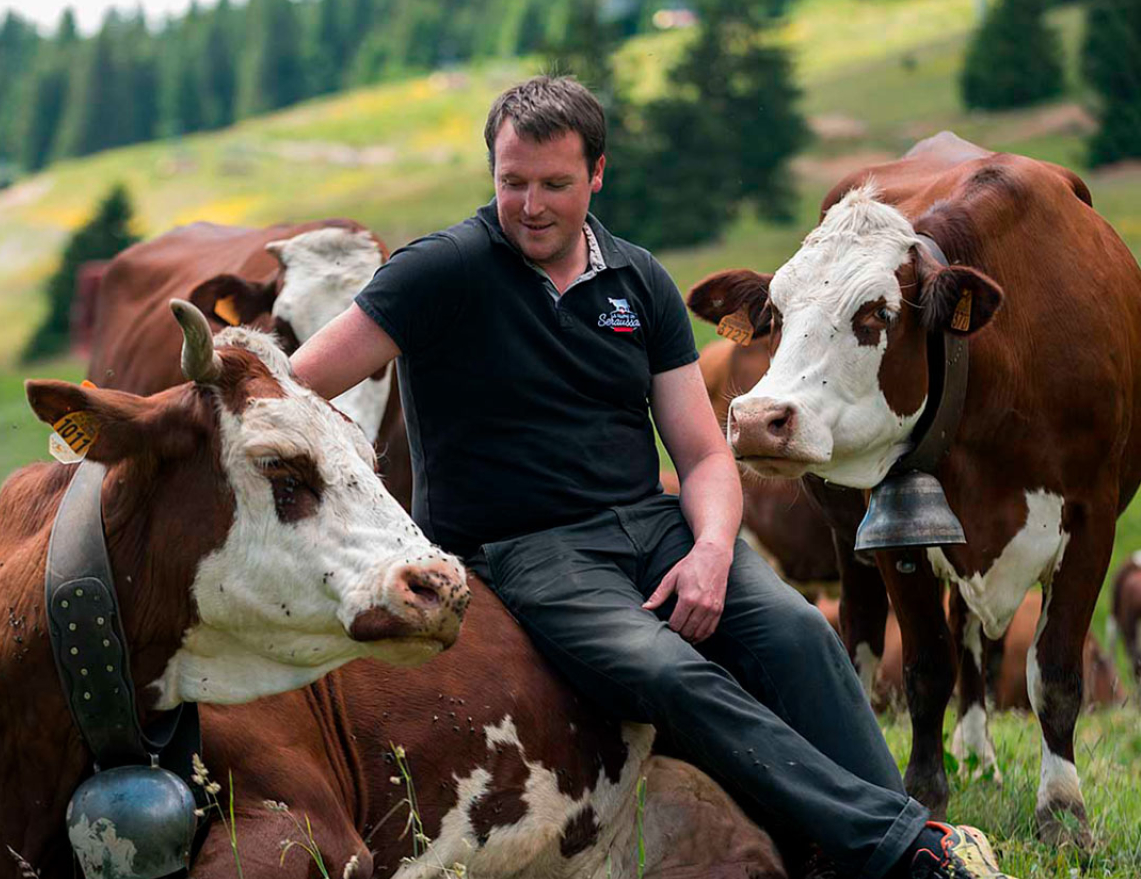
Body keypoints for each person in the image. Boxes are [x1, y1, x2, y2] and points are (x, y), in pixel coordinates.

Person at [290, 75, 1012, 879]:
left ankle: (896, 851)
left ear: (597, 175)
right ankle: (905, 849)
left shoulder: (639, 282)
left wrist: (709, 549)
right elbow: (292, 388)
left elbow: (702, 455)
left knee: (800, 634)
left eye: (555, 184)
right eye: (512, 182)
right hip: (530, 552)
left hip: (656, 526)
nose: (531, 205)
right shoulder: (440, 272)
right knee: (670, 672)